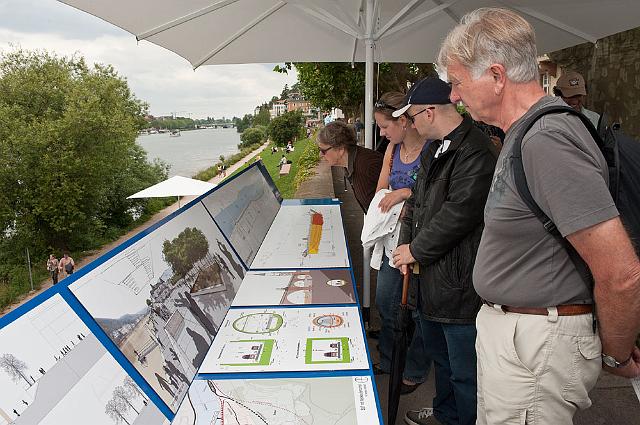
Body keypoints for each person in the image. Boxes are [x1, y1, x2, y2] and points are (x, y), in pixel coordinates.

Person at [438, 8, 640, 425]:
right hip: (521, 341)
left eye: (457, 82)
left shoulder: (546, 139)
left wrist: (616, 352)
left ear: (496, 76)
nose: (454, 96)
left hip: (533, 347)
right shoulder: (527, 133)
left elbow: (621, 273)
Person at [390, 77, 497, 425]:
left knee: (465, 373)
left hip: (459, 287)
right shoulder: (433, 148)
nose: (411, 123)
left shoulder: (476, 150)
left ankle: (462, 419)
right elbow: (417, 203)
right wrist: (405, 245)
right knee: (443, 362)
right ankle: (445, 414)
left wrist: (415, 250)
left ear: (431, 112)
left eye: (413, 116)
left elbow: (459, 214)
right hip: (431, 283)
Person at [370, 91, 432, 393]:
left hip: (423, 240)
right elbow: (382, 187)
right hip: (394, 237)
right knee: (385, 299)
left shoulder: (431, 148)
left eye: (384, 126)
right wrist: (390, 198)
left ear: (404, 121)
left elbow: (438, 192)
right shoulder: (392, 150)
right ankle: (391, 358)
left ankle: (416, 368)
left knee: (419, 308)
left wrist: (405, 193)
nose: (382, 133)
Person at [316, 121, 383, 212]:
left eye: (323, 151)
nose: (320, 155)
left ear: (340, 149)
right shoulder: (351, 163)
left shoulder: (368, 164)